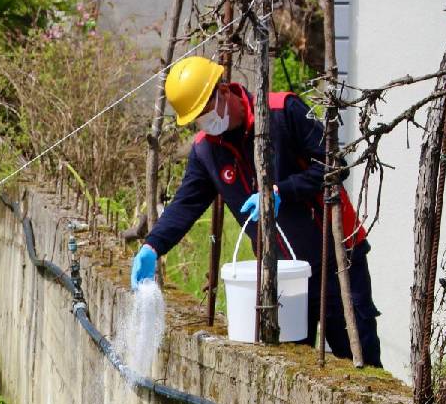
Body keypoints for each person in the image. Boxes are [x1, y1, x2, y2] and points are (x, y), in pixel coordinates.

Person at [129, 55, 382, 367]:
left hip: (337, 257)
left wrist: (280, 192)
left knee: (358, 358)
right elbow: (186, 204)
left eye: (206, 111)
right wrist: (153, 246)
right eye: (197, 118)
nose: (206, 122)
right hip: (280, 272)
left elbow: (333, 166)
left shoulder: (282, 112)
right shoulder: (207, 150)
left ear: (223, 91)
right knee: (291, 365)